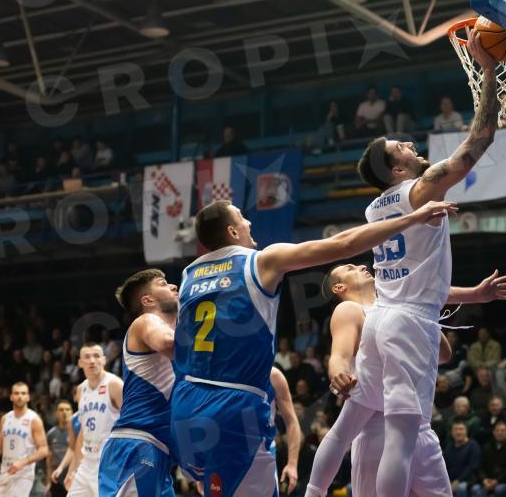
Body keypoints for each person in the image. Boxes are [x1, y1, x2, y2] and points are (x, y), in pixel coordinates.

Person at [170, 198, 456, 495]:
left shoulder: (189, 276)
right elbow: (343, 244)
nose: (249, 222)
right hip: (233, 402)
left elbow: (177, 342)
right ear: (232, 231)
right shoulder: (261, 260)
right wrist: (412, 218)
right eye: (242, 218)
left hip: (185, 402)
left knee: (213, 488)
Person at [345, 30, 501, 495]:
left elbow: (413, 281)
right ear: (396, 170)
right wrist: (489, 71)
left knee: (394, 430)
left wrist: (473, 294)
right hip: (409, 322)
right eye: (401, 148)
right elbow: (478, 141)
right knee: (404, 431)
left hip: (386, 317)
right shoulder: (417, 191)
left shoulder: (374, 210)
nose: (410, 144)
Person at [306, 262, 506, 496]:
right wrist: (339, 374)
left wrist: (424, 313)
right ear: (339, 287)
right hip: (378, 431)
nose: (362, 265)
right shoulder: (351, 309)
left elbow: (443, 354)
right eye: (350, 268)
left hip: (419, 428)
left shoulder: (396, 307)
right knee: (342, 433)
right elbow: (339, 356)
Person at [98, 269, 180, 495]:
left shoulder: (173, 331)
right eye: (163, 283)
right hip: (135, 445)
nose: (173, 286)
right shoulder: (146, 321)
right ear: (147, 300)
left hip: (159, 451)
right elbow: (169, 344)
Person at [0, 382, 49, 497]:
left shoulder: (34, 419)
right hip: (5, 472)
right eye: (17, 393)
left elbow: (44, 450)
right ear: (11, 397)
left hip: (23, 474)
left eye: (23, 393)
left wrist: (23, 462)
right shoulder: (5, 419)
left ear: (28, 397)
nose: (20, 396)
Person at [65, 343, 123, 496]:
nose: (92, 361)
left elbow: (133, 421)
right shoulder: (80, 390)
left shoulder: (114, 385)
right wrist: (72, 469)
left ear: (104, 360)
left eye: (96, 356)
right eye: (87, 357)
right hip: (86, 463)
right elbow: (83, 433)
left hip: (109, 462)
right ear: (80, 363)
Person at [269, 367, 301, 495]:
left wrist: (292, 463)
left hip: (263, 456)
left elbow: (292, 421)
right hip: (225, 453)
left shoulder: (273, 375)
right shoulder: (220, 368)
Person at [471, 421, 506, 497]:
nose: (499, 433)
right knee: (475, 489)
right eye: (497, 430)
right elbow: (480, 466)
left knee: (499, 489)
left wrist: (497, 480)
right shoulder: (487, 447)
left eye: (502, 431)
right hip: (487, 480)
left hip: (504, 481)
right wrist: (484, 479)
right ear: (493, 432)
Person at [444, 421, 481, 497]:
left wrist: (458, 480)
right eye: (455, 429)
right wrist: (448, 481)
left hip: (469, 480)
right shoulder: (449, 448)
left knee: (461, 488)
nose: (458, 432)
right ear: (451, 433)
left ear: (466, 431)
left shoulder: (473, 446)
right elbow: (445, 466)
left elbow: (472, 467)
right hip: (451, 480)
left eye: (461, 429)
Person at [45, 399, 73, 497]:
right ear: (56, 413)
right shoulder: (51, 433)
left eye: (67, 409)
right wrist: (48, 481)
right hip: (56, 480)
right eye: (61, 410)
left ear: (72, 412)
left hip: (73, 479)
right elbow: (49, 460)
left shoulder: (78, 433)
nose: (64, 412)